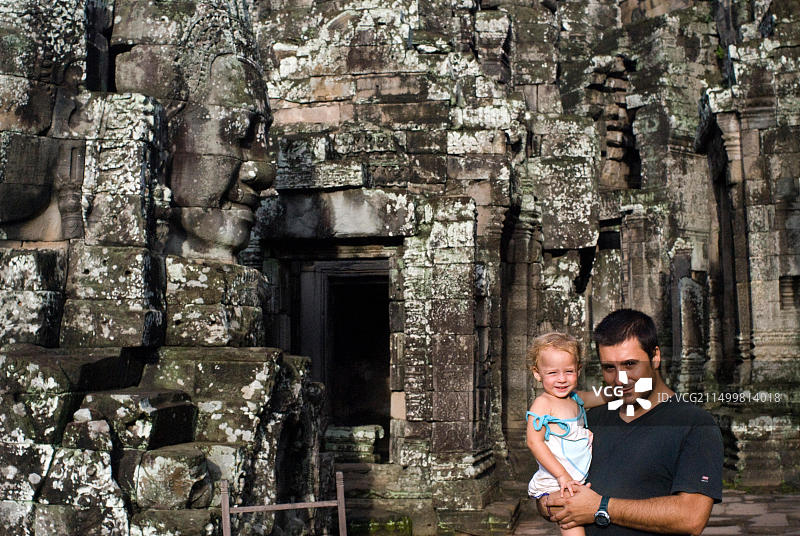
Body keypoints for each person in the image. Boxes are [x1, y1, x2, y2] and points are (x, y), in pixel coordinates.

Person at [538, 309, 723, 535]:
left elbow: (691, 517)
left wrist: (600, 507)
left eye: (630, 364)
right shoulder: (590, 419)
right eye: (609, 368)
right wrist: (548, 503)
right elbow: (547, 489)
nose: (620, 379)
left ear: (655, 357)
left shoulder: (694, 424)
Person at [526, 332, 609, 536]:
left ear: (578, 370)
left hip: (577, 475)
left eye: (569, 371)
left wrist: (622, 390)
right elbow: (534, 442)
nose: (562, 379)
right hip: (557, 478)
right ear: (537, 373)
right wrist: (562, 476)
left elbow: (601, 397)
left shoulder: (575, 399)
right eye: (552, 373)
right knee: (571, 521)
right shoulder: (543, 404)